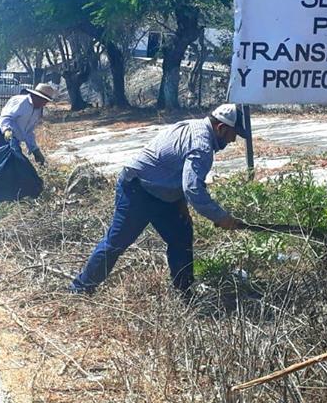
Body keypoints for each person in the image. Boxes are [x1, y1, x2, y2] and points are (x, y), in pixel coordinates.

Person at [69, 103, 247, 297]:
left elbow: (175, 170)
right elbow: (194, 188)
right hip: (138, 190)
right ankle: (80, 288)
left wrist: (180, 203)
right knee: (117, 242)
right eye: (233, 134)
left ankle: (185, 294)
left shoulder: (192, 125)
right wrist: (221, 217)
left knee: (181, 237)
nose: (232, 140)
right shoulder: (202, 146)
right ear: (221, 128)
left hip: (163, 194)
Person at [0, 83, 57, 166]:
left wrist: (34, 149)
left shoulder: (38, 111)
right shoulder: (21, 102)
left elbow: (28, 132)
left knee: (13, 165)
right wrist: (7, 130)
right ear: (36, 96)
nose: (44, 104)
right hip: (0, 134)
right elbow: (5, 117)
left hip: (14, 140)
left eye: (46, 101)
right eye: (43, 100)